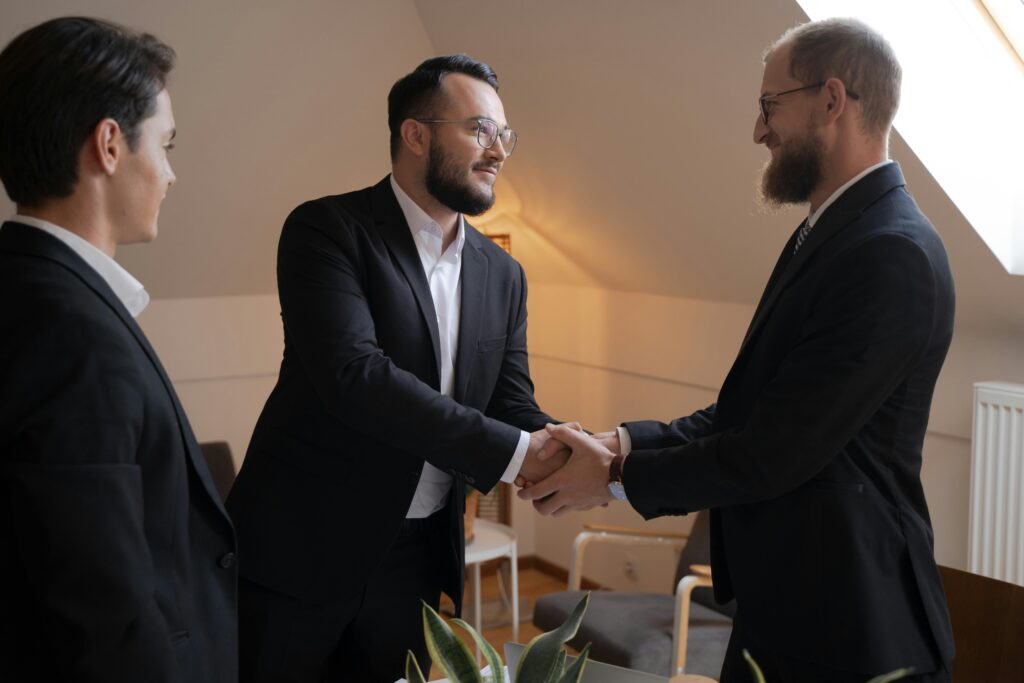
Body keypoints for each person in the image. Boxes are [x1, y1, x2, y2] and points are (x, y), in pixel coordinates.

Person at [522, 18, 955, 682]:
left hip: (852, 625)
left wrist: (610, 477)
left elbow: (774, 451)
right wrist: (618, 446)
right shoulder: (832, 232)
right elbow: (744, 413)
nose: (759, 132)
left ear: (832, 99)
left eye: (769, 106)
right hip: (788, 605)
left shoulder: (890, 253)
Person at [225, 54, 565, 682]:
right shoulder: (327, 230)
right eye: (480, 131)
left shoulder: (504, 273)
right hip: (300, 551)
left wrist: (566, 448)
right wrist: (517, 454)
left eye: (504, 136)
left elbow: (510, 403)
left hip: (414, 562)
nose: (498, 151)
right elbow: (357, 377)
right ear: (416, 134)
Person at [0, 16, 237, 683]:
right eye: (164, 145)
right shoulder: (69, 330)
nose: (170, 174)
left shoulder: (26, 288)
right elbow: (101, 611)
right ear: (108, 144)